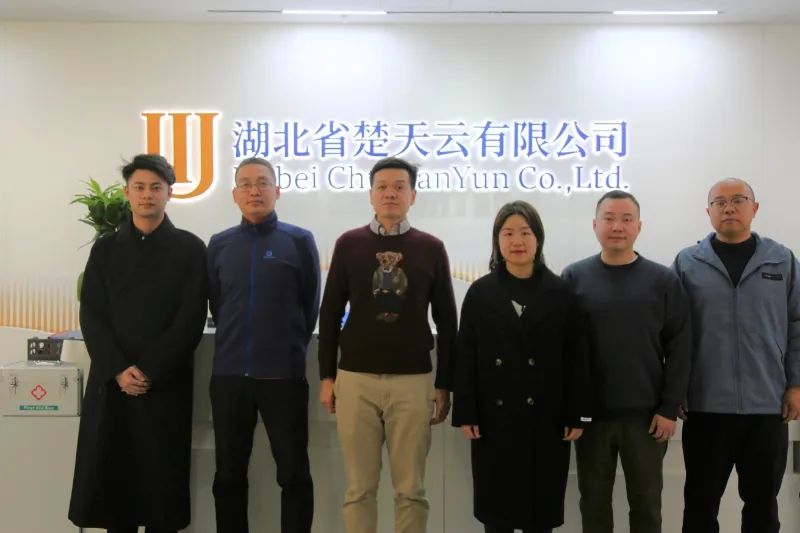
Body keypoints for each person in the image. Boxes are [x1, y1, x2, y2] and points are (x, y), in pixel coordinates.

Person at [68, 154, 208, 533]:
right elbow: (92, 314)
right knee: (116, 490)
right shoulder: (105, 249)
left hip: (163, 384)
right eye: (140, 187)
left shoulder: (190, 249)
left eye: (156, 188)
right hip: (113, 384)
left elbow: (190, 319)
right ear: (127, 192)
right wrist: (118, 369)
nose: (148, 195)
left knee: (161, 491)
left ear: (169, 194)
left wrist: (148, 370)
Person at [317, 156, 457, 533]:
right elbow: (330, 313)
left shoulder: (431, 248)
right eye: (382, 187)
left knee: (411, 490)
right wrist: (327, 377)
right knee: (359, 489)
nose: (390, 193)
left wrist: (444, 384)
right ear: (370, 195)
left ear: (413, 195)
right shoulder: (349, 244)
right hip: (355, 379)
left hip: (413, 381)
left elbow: (448, 322)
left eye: (399, 187)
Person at [452, 200, 591, 533]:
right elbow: (466, 355)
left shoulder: (561, 292)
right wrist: (466, 411)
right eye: (508, 233)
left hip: (547, 419)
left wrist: (577, 414)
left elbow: (577, 358)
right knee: (497, 515)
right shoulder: (480, 292)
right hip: (493, 419)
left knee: (539, 514)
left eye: (525, 233)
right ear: (497, 241)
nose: (517, 241)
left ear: (538, 239)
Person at [673, 178, 800, 533]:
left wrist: (796, 385)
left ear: (754, 208)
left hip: (767, 406)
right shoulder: (688, 263)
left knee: (762, 505)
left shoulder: (782, 260)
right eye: (720, 202)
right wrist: (676, 390)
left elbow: (797, 325)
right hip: (705, 407)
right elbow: (673, 333)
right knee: (700, 505)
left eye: (738, 200)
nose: (729, 207)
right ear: (708, 211)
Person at [562, 190, 691, 533]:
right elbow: (563, 351)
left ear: (639, 226)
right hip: (590, 419)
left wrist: (669, 407)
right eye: (609, 218)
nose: (617, 226)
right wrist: (572, 410)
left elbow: (680, 347)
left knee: (646, 507)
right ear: (595, 225)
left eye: (626, 219)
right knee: (593, 505)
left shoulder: (663, 280)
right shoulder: (573, 278)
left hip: (647, 419)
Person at [207, 156, 320, 533]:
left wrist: (286, 348)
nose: (254, 191)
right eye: (245, 184)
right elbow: (218, 304)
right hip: (229, 377)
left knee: (293, 474)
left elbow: (309, 305)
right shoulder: (220, 244)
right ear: (234, 194)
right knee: (228, 475)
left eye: (262, 183)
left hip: (283, 377)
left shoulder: (299, 241)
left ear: (277, 190)